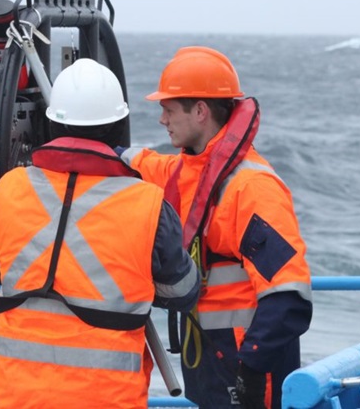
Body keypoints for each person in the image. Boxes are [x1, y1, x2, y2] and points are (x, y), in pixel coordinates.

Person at [0, 58, 200, 408]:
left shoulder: (9, 189)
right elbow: (181, 292)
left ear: (52, 123)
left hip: (17, 395)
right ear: (118, 127)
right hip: (107, 397)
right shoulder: (146, 202)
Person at [119, 46, 313, 409]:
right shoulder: (187, 170)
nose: (162, 119)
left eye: (168, 109)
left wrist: (252, 368)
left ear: (200, 111)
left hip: (247, 368)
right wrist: (99, 151)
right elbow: (145, 165)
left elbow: (288, 295)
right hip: (210, 363)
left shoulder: (250, 188)